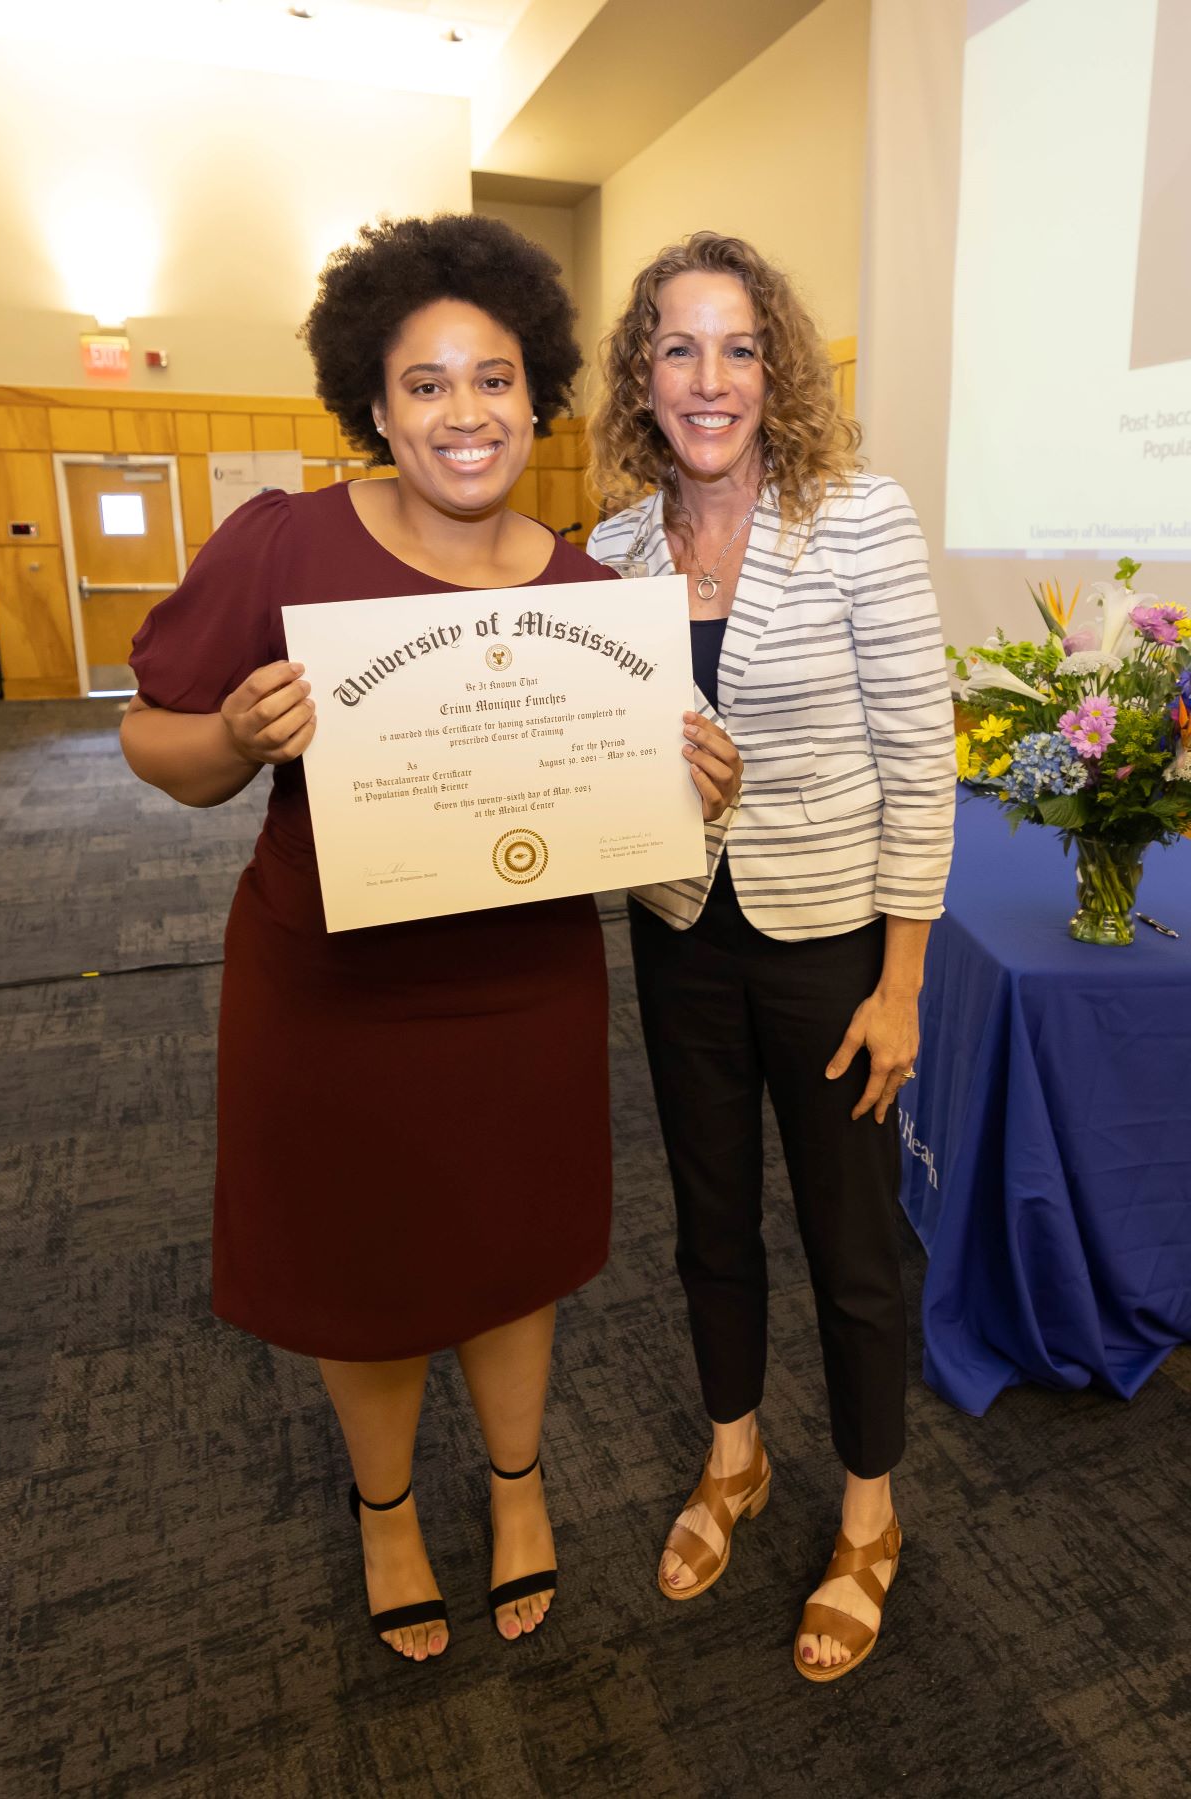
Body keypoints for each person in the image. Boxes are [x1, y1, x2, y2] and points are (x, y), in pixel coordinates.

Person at [121, 214, 741, 1666]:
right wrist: (229, 731)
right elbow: (159, 744)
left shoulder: (597, 599)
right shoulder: (286, 542)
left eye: (497, 379)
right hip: (331, 990)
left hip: (519, 990)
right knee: (365, 1263)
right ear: (375, 402)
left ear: (539, 398)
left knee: (510, 1255)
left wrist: (687, 787)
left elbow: (632, 826)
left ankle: (518, 1490)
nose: (466, 413)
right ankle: (388, 1509)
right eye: (426, 384)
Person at [586, 231, 955, 1681]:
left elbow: (923, 768)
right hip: (679, 936)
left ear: (775, 367)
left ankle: (870, 1514)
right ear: (642, 376)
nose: (709, 376)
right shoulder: (613, 550)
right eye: (678, 347)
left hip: (829, 950)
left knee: (853, 1247)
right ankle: (732, 1456)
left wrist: (903, 983)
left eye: (737, 346)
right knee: (710, 1219)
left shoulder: (857, 518)